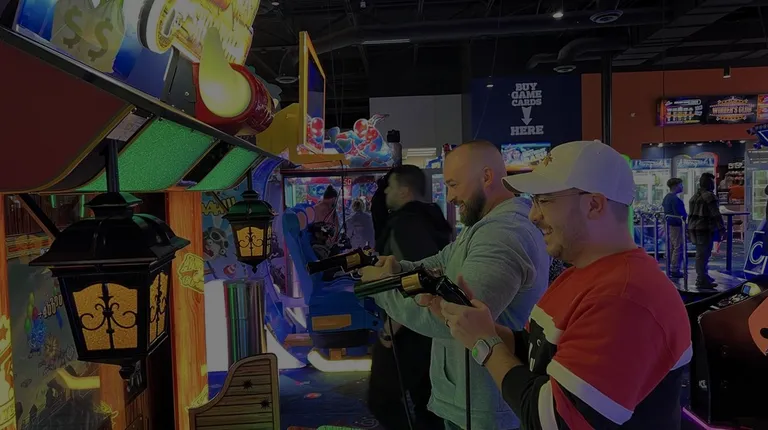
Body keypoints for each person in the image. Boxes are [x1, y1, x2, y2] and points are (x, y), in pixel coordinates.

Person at [438, 140, 692, 430]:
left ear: (594, 204)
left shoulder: (625, 299)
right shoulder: (580, 274)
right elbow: (538, 351)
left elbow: (553, 420)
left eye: (544, 200)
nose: (533, 215)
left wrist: (485, 344)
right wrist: (478, 326)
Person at [361, 140, 550, 430]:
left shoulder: (503, 233)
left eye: (453, 185)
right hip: (468, 398)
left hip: (485, 406)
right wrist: (398, 268)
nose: (449, 196)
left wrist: (381, 288)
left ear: (486, 177)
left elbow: (456, 318)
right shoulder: (484, 227)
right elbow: (439, 262)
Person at [367, 164, 452, 430]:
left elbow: (420, 281)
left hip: (409, 329)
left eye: (390, 187)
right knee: (428, 405)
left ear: (404, 191)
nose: (386, 193)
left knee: (382, 400)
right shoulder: (432, 218)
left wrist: (390, 329)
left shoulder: (407, 224)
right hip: (432, 329)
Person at [688, 172, 725, 289]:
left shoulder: (694, 197)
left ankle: (703, 276)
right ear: (709, 183)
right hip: (704, 229)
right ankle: (701, 279)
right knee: (703, 255)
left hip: (694, 229)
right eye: (712, 182)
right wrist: (722, 229)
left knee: (700, 254)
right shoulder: (710, 197)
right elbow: (716, 215)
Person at [662, 177, 687, 278]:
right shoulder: (675, 199)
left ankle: (671, 267)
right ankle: (675, 269)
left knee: (672, 246)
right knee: (678, 246)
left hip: (668, 224)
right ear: (675, 186)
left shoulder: (667, 197)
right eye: (681, 184)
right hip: (676, 226)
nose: (682, 186)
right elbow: (680, 214)